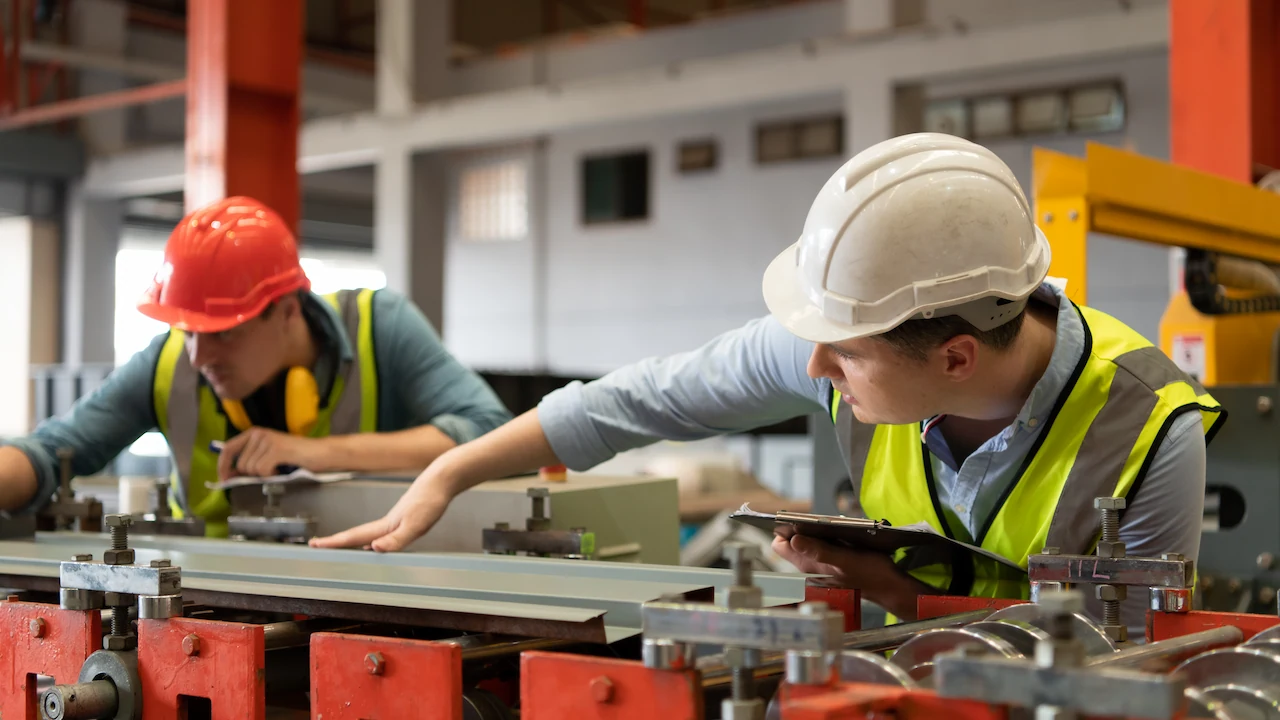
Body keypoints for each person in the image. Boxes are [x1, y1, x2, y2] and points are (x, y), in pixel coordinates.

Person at [312, 134, 1223, 631]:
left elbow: (1123, 662)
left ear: (955, 357)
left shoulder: (1147, 432)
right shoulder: (846, 342)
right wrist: (453, 472)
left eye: (844, 354)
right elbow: (639, 400)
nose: (814, 370)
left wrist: (895, 594)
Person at [0, 196, 511, 537]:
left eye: (223, 331)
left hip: (370, 591)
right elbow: (52, 453)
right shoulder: (168, 363)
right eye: (189, 331)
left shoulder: (382, 328)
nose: (199, 357)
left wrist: (316, 453)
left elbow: (488, 432)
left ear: (288, 310)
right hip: (201, 606)